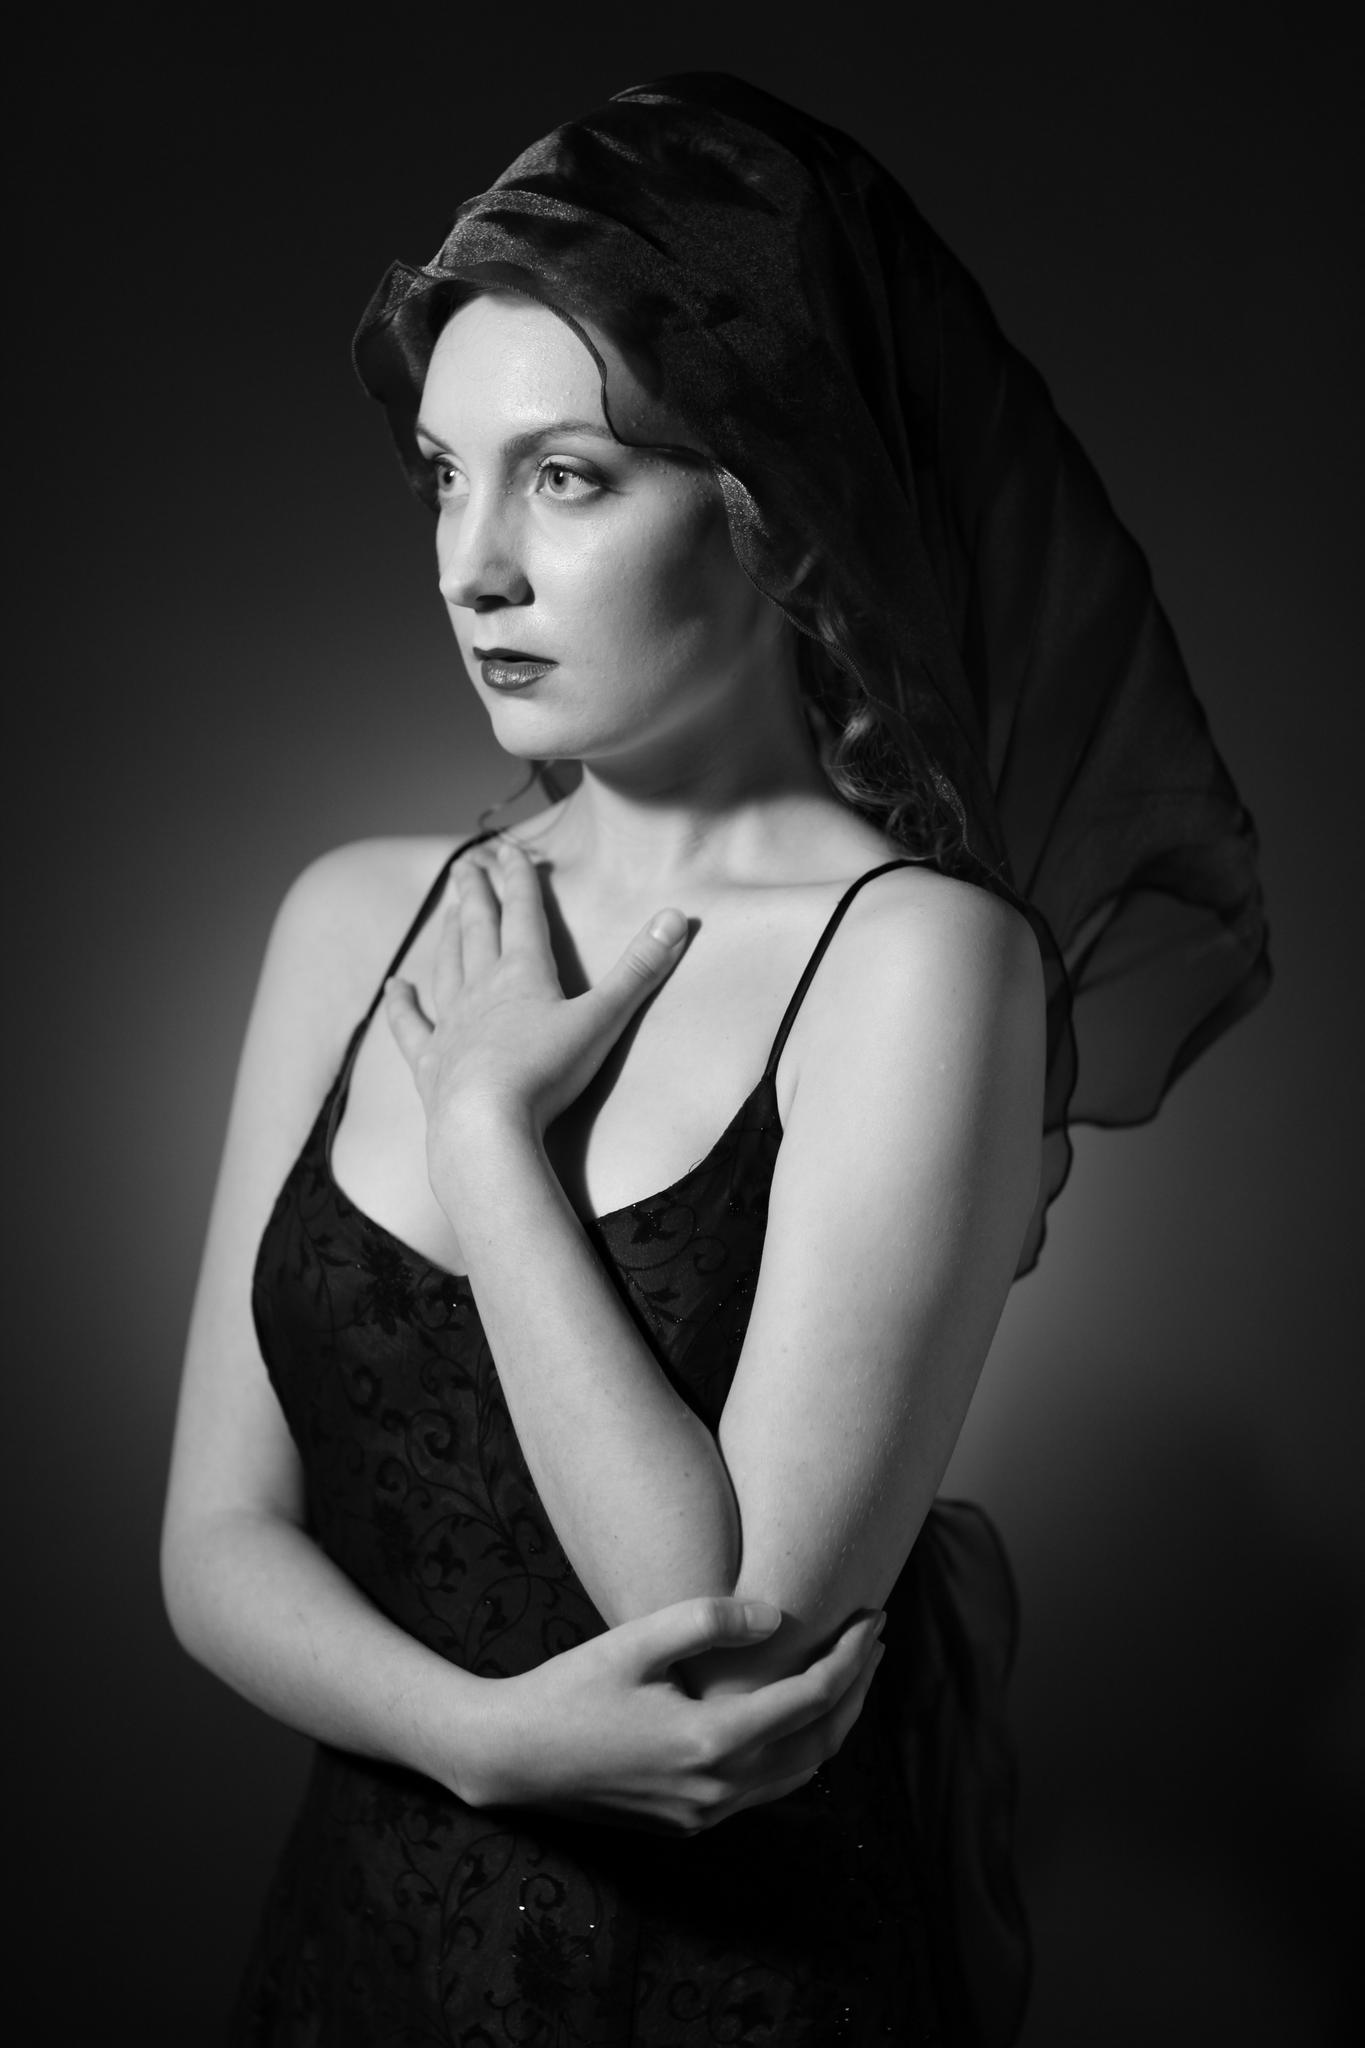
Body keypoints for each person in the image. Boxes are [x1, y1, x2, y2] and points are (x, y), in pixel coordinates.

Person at [161, 74, 1269, 2046]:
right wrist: (480, 1740)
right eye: (441, 475)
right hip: (352, 1965)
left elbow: (718, 1634)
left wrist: (490, 1136)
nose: (470, 562)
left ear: (773, 501)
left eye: (566, 478)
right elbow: (213, 1542)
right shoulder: (355, 917)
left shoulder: (919, 963)